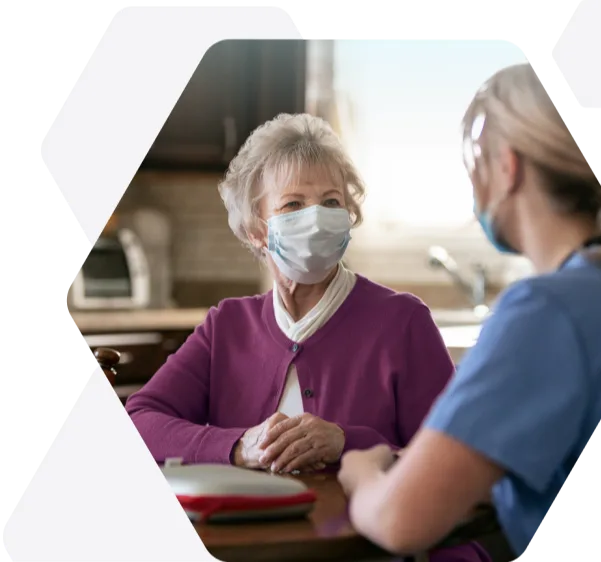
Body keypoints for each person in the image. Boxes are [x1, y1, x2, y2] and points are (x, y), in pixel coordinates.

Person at [125, 113, 489, 562]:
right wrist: (237, 447)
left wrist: (346, 441)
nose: (316, 220)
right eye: (293, 205)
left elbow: (452, 461)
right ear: (257, 230)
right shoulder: (227, 325)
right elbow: (140, 420)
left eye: (331, 202)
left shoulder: (403, 321)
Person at [337, 63, 601, 560]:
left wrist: (362, 473)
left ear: (508, 168)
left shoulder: (547, 312)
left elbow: (399, 521)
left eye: (477, 166)